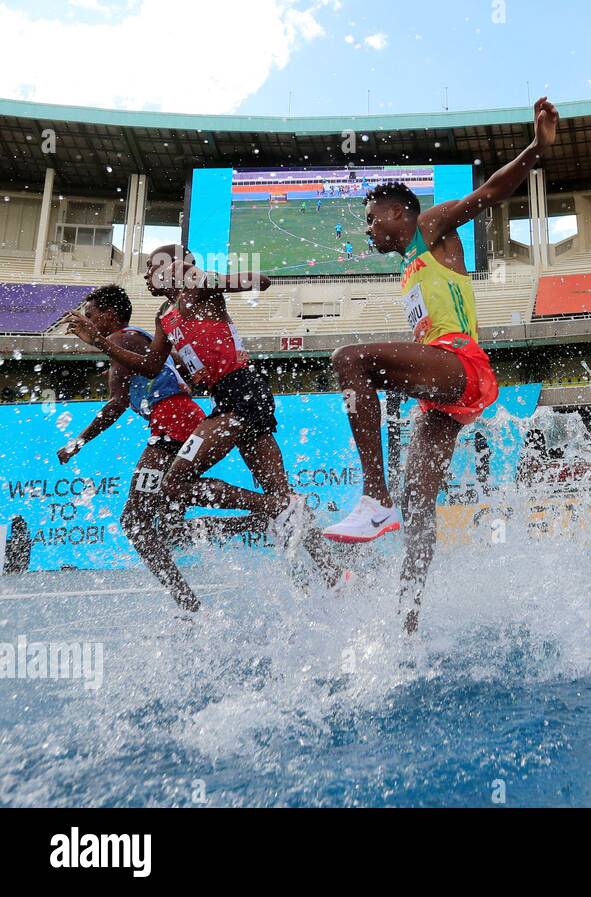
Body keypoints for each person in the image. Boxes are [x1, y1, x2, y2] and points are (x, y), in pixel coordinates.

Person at [326, 97, 558, 633]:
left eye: (371, 217)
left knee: (348, 359)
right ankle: (409, 618)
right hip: (446, 390)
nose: (367, 229)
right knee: (419, 499)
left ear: (399, 211)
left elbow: (491, 192)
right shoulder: (407, 265)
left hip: (463, 365)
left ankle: (372, 496)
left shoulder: (429, 227)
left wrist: (534, 150)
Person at [64, 246, 349, 609]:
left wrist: (208, 279)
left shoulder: (197, 290)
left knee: (178, 483)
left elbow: (260, 280)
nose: (146, 274)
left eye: (151, 267)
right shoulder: (164, 316)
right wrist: (183, 372)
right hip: (227, 398)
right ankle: (334, 573)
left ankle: (271, 507)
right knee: (285, 495)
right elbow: (152, 367)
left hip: (242, 392)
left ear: (171, 269)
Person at [59, 285, 268, 610]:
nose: (86, 321)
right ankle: (262, 518)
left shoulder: (120, 339)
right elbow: (166, 368)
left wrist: (78, 441)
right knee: (172, 530)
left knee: (134, 519)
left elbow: (116, 403)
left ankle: (187, 600)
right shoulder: (132, 339)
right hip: (179, 417)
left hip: (173, 421)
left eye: (91, 315)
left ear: (110, 314)